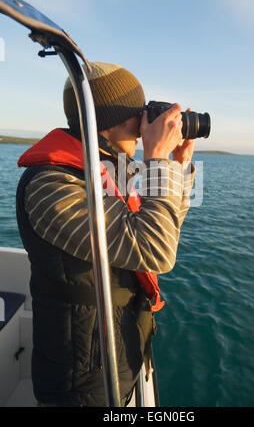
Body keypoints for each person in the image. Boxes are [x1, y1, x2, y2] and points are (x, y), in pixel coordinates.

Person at [16, 62, 195, 407]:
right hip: (82, 381)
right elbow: (155, 251)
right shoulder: (52, 185)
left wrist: (178, 168)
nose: (146, 124)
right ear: (112, 118)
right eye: (140, 114)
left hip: (120, 356)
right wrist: (156, 158)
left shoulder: (104, 172)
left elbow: (162, 233)